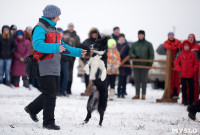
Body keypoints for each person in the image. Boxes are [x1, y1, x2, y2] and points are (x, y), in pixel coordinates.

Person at [24, 5, 87, 130]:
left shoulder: (53, 29)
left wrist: (79, 52)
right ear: (52, 15)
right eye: (58, 16)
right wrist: (55, 48)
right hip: (44, 65)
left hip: (54, 66)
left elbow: (64, 47)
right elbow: (37, 45)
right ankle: (48, 122)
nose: (59, 18)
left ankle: (31, 108)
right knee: (50, 94)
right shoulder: (40, 28)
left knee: (50, 92)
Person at [129, 30, 154, 100]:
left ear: (144, 35)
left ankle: (143, 94)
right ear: (138, 35)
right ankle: (137, 94)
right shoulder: (134, 44)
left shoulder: (148, 44)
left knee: (144, 80)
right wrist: (134, 56)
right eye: (139, 34)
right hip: (136, 65)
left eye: (142, 34)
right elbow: (130, 52)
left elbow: (151, 54)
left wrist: (150, 64)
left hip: (145, 65)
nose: (140, 36)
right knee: (136, 80)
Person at [174, 40, 199, 105]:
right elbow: (176, 63)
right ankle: (185, 101)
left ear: (189, 46)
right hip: (183, 75)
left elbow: (196, 63)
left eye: (187, 46)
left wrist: (194, 70)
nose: (186, 47)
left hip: (191, 75)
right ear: (183, 46)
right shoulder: (180, 54)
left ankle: (191, 101)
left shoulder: (193, 54)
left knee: (191, 89)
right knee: (184, 89)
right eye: (185, 46)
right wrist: (180, 69)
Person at [80, 28, 101, 96]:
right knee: (87, 76)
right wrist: (84, 60)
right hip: (88, 62)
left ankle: (95, 91)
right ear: (91, 34)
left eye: (95, 34)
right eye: (93, 34)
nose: (94, 35)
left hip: (97, 62)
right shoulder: (86, 41)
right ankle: (87, 90)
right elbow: (81, 51)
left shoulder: (99, 42)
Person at [164, 32, 181, 99]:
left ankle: (176, 94)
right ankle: (170, 94)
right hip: (169, 64)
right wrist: (175, 48)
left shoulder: (178, 41)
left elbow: (180, 47)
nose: (171, 36)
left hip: (177, 63)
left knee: (177, 80)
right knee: (170, 79)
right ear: (168, 36)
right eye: (170, 35)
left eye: (172, 35)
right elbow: (167, 47)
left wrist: (175, 48)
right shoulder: (166, 42)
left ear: (174, 36)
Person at [187, 34, 200, 103]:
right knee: (187, 84)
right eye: (189, 37)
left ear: (194, 38)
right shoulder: (185, 46)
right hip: (186, 68)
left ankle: (195, 100)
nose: (190, 39)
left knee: (195, 84)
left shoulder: (197, 46)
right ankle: (186, 99)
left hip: (195, 68)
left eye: (192, 37)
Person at [57, 28, 69, 96]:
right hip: (57, 61)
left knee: (66, 76)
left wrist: (68, 59)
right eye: (59, 32)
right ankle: (57, 91)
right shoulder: (54, 41)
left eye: (61, 32)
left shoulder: (65, 41)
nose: (60, 33)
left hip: (64, 61)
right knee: (58, 76)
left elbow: (69, 50)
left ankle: (63, 91)